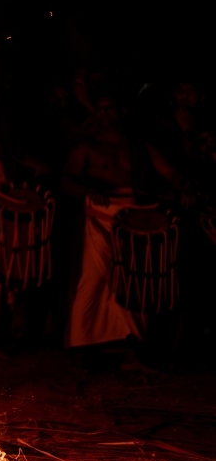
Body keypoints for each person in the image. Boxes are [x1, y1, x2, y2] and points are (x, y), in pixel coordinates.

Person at [62, 95, 183, 355]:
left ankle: (131, 342)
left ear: (122, 111)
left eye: (109, 108)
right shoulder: (87, 148)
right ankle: (81, 344)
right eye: (100, 109)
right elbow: (67, 181)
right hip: (100, 217)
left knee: (131, 279)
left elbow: (170, 173)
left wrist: (185, 189)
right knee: (92, 279)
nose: (104, 114)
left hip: (135, 218)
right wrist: (89, 190)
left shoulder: (137, 146)